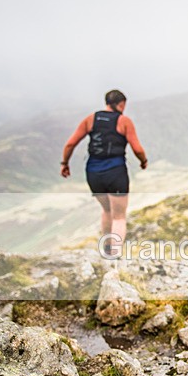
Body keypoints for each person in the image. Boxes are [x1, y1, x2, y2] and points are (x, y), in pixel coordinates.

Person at [61, 90, 148, 256]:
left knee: (107, 211)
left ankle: (106, 248)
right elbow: (137, 148)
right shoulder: (124, 121)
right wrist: (143, 161)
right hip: (115, 172)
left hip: (93, 172)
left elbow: (70, 144)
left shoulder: (90, 119)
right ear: (121, 104)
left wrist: (65, 163)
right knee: (119, 216)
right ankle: (114, 254)